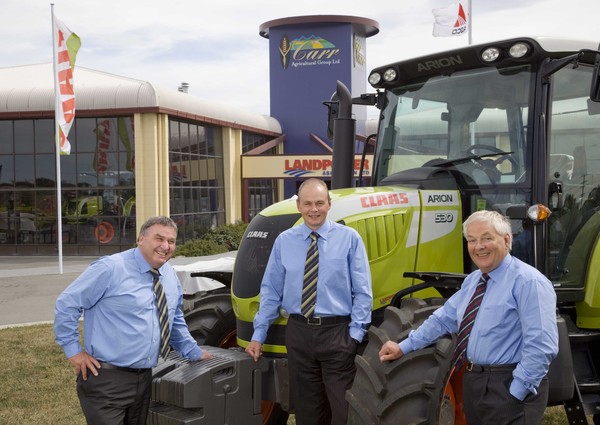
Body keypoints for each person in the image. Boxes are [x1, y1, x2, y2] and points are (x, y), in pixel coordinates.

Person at [379, 210, 558, 425]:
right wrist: (404, 346)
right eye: (472, 240)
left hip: (508, 385)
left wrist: (516, 392)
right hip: (474, 382)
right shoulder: (473, 281)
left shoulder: (529, 282)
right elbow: (443, 319)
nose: (478, 246)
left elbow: (541, 346)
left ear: (507, 240)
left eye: (487, 238)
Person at [54, 215, 212, 425]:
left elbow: (173, 319)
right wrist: (74, 352)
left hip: (145, 378)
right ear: (140, 239)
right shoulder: (111, 268)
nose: (165, 246)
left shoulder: (169, 275)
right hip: (106, 379)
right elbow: (67, 303)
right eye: (159, 238)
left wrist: (193, 352)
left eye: (171, 241)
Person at [245, 178, 372, 425]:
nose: (314, 209)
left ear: (329, 204)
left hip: (337, 334)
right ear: (298, 206)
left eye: (319, 203)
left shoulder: (349, 238)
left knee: (344, 411)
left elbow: (363, 292)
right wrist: (258, 334)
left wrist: (354, 335)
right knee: (307, 412)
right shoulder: (284, 241)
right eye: (308, 204)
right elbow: (271, 291)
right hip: (299, 333)